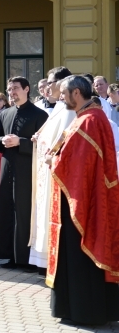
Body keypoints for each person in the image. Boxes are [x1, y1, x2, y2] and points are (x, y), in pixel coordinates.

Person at [46, 75, 119, 325]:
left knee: (80, 253)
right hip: (84, 194)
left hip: (83, 199)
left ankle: (85, 311)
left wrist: (52, 161)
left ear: (77, 93)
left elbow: (77, 163)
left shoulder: (88, 121)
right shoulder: (90, 117)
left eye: (64, 93)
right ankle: (79, 308)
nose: (61, 97)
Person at [0, 76, 48, 272]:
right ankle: (9, 255)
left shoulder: (39, 115)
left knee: (24, 212)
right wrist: (3, 141)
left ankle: (25, 258)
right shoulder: (4, 113)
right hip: (7, 168)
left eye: (16, 88)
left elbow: (44, 145)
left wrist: (21, 142)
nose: (12, 92)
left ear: (26, 89)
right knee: (6, 210)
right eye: (9, 89)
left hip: (27, 170)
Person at [28, 66, 74, 274]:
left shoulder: (69, 109)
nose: (47, 86)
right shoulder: (58, 108)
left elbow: (64, 138)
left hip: (54, 170)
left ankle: (50, 259)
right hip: (46, 170)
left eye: (51, 81)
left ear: (63, 83)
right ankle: (44, 259)